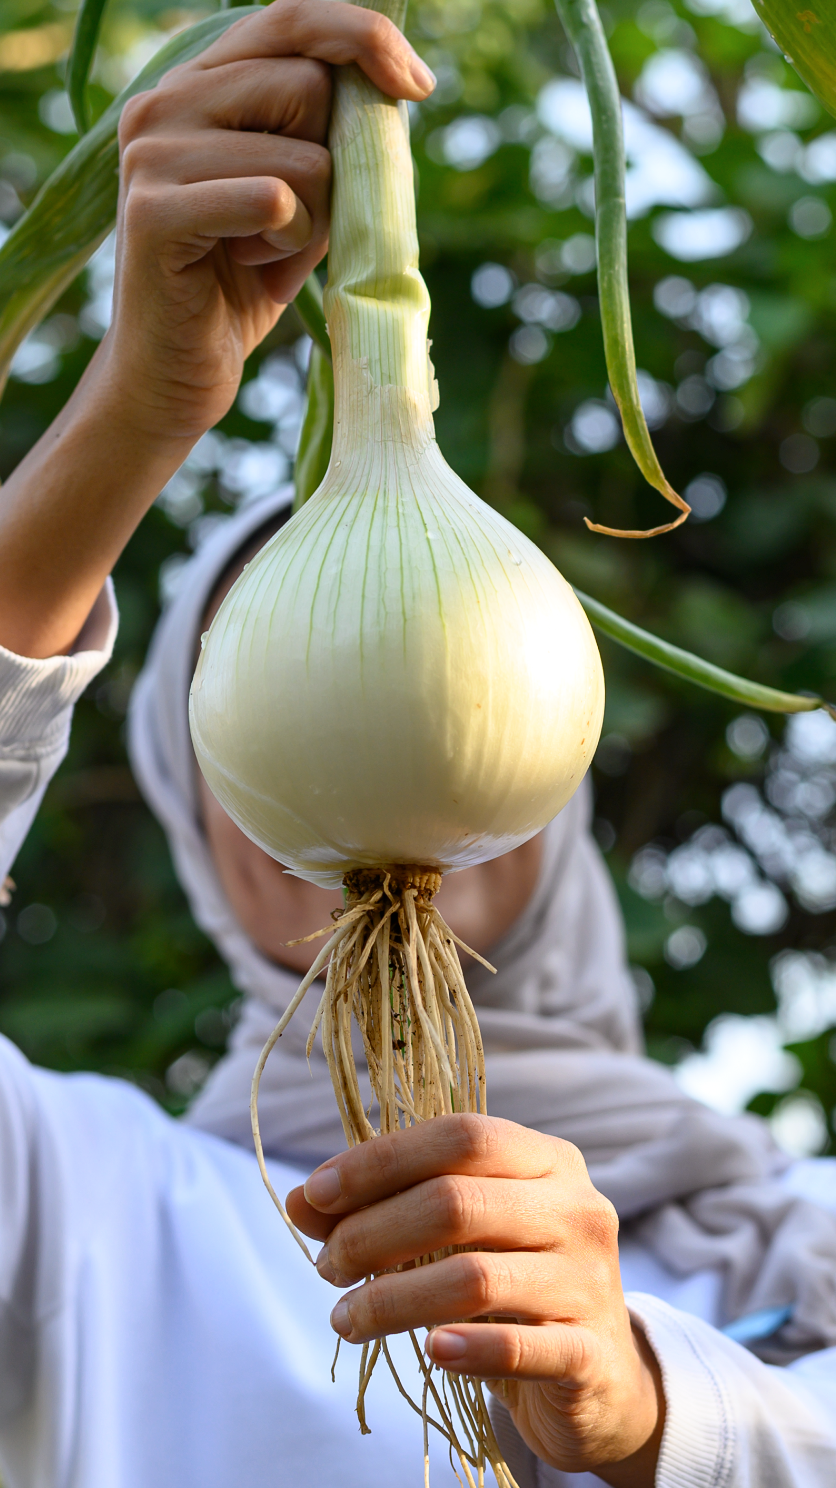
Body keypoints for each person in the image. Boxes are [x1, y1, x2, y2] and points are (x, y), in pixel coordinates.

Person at [0, 3, 835, 1485]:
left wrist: (659, 1408)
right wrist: (133, 412)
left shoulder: (805, 1235)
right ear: (204, 830)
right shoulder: (85, 1207)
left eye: (428, 685)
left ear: (558, 794)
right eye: (256, 730)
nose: (357, 798)